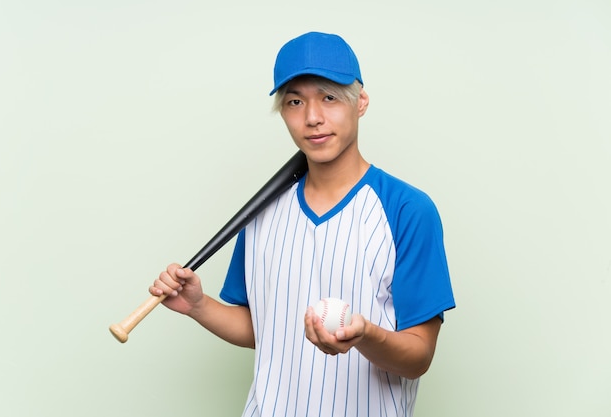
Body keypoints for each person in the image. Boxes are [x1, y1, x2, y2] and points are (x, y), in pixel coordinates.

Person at [149, 31, 455, 417]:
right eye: (295, 101)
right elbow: (265, 328)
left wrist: (364, 336)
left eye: (329, 97)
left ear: (360, 102)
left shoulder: (407, 209)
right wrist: (199, 306)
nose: (312, 117)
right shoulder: (260, 212)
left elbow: (419, 355)